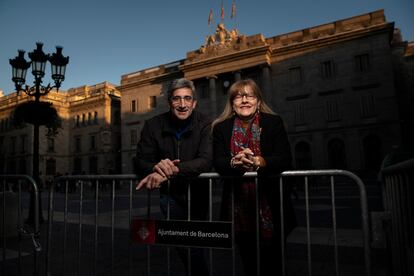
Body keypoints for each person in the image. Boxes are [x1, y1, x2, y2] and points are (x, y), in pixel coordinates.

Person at [212, 79, 296, 276]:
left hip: (271, 202)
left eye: (250, 95)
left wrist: (259, 161)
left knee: (273, 264)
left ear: (258, 101)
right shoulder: (221, 127)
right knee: (249, 263)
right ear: (232, 103)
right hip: (237, 208)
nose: (244, 100)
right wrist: (234, 162)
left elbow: (284, 157)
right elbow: (218, 160)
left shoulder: (273, 122)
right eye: (238, 96)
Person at [135, 78, 212, 276]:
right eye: (177, 99)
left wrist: (171, 171)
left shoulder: (205, 123)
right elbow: (140, 161)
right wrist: (156, 166)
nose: (182, 104)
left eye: (187, 98)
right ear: (169, 102)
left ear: (194, 103)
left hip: (198, 195)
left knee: (195, 245)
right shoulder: (153, 125)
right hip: (169, 197)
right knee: (182, 243)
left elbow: (205, 160)